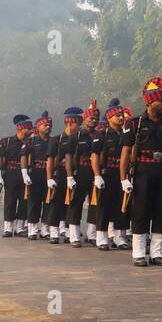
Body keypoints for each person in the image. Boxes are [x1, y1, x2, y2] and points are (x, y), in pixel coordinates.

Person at [121, 77, 162, 266]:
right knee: (141, 211)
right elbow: (126, 153)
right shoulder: (135, 123)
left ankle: (156, 253)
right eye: (160, 101)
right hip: (142, 171)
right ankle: (138, 253)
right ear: (149, 102)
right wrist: (124, 179)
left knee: (161, 211)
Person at [92, 100, 129, 250]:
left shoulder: (126, 134)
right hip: (107, 173)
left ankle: (120, 237)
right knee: (104, 206)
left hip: (122, 174)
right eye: (117, 115)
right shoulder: (101, 134)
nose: (121, 118)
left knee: (122, 205)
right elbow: (94, 155)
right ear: (109, 117)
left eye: (122, 115)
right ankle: (101, 237)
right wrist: (97, 175)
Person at [65, 102, 99, 246]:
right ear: (84, 119)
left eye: (96, 117)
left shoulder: (99, 135)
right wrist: (70, 176)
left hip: (94, 173)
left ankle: (91, 234)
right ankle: (73, 236)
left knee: (95, 204)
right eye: (91, 117)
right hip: (79, 172)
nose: (94, 119)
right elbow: (68, 157)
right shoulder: (76, 135)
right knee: (76, 204)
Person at [45, 107, 80, 244]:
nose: (79, 126)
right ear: (70, 123)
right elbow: (50, 161)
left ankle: (66, 230)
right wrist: (49, 178)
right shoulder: (56, 140)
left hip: (76, 173)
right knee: (56, 203)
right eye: (77, 123)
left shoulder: (78, 138)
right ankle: (53, 232)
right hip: (60, 174)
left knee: (71, 203)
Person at [0, 114, 30, 236]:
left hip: (25, 175)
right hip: (10, 173)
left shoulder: (30, 142)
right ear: (20, 128)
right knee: (10, 201)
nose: (30, 130)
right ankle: (8, 228)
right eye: (28, 128)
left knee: (24, 201)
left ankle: (20, 228)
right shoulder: (6, 141)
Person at [23, 112, 52, 238]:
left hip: (49, 174)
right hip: (35, 173)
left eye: (49, 125)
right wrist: (25, 173)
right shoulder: (31, 141)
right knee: (34, 202)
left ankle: (45, 228)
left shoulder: (53, 140)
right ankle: (32, 229)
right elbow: (24, 157)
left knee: (48, 202)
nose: (48, 127)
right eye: (45, 125)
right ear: (38, 126)